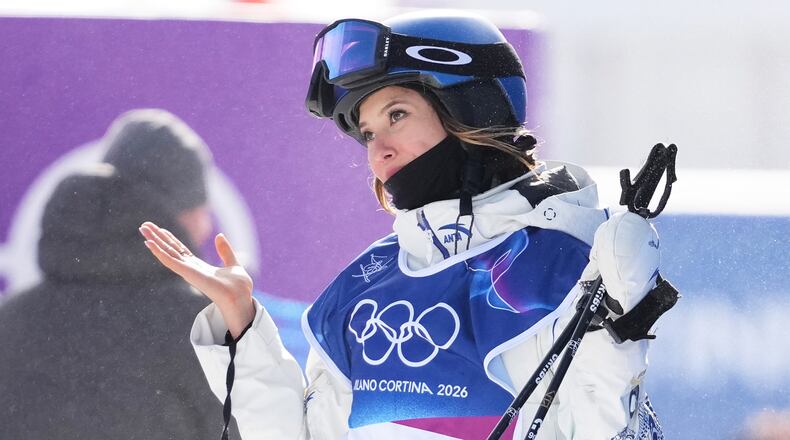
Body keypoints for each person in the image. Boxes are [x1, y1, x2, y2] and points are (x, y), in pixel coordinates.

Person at [140, 11, 671, 440]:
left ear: (472, 108)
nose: (379, 152)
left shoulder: (562, 265)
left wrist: (619, 330)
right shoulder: (362, 287)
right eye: (367, 133)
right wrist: (241, 324)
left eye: (396, 115)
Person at [0, 109, 239, 439]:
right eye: (201, 208)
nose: (206, 226)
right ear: (180, 214)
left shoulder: (10, 322)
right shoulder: (202, 329)